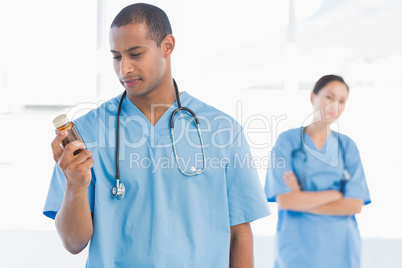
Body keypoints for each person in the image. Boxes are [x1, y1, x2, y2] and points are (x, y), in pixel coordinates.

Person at [43, 3, 270, 268]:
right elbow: (73, 243)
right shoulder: (86, 134)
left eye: (135, 54)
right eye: (116, 57)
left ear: (167, 46)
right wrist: (75, 185)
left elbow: (239, 235)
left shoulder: (223, 130)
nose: (124, 69)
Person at [264, 75, 371, 268]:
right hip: (297, 249)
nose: (334, 105)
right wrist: (335, 195)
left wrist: (302, 199)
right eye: (329, 97)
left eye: (342, 101)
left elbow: (354, 205)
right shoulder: (287, 142)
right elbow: (286, 200)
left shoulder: (347, 147)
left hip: (341, 250)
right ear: (313, 97)